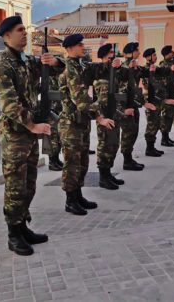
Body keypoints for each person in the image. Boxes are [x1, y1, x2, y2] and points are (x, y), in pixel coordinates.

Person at [0, 16, 62, 256]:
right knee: (15, 186)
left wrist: (54, 61)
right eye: (20, 30)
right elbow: (9, 104)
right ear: (7, 35)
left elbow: (57, 71)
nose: (25, 33)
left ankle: (23, 226)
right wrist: (32, 126)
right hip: (15, 134)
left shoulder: (25, 61)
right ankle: (13, 234)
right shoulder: (3, 65)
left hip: (29, 134)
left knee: (29, 183)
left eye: (25, 30)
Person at [59, 35, 117, 215]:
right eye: (79, 45)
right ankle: (70, 200)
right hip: (71, 124)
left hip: (81, 122)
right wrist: (99, 117)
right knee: (72, 163)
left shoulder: (80, 66)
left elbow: (98, 69)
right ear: (69, 48)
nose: (83, 47)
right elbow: (81, 100)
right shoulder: (70, 69)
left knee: (82, 162)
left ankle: (78, 195)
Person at [93, 43, 127, 187]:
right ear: (104, 55)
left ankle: (108, 174)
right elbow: (98, 100)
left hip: (113, 114)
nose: (113, 55)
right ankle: (103, 177)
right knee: (105, 146)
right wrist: (100, 117)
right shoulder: (100, 75)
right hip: (104, 115)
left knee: (113, 145)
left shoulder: (113, 72)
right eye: (110, 53)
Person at [120, 42, 151, 171]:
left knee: (133, 132)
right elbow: (121, 87)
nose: (139, 52)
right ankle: (126, 160)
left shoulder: (136, 66)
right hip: (126, 105)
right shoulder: (123, 67)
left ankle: (129, 158)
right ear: (129, 53)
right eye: (136, 50)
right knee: (128, 133)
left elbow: (147, 73)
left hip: (134, 103)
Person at [141, 48, 169, 157]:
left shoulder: (156, 68)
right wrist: (151, 72)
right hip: (151, 100)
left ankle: (152, 147)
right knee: (152, 124)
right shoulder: (146, 69)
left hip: (158, 100)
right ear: (148, 57)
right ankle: (149, 149)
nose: (155, 57)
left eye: (155, 55)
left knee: (157, 123)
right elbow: (148, 84)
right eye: (154, 55)